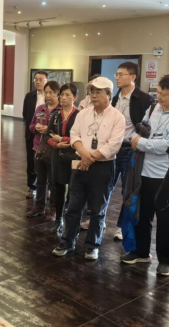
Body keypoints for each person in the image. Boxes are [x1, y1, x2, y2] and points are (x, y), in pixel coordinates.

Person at [120, 75, 169, 276]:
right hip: (142, 170)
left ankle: (166, 259)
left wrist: (141, 143)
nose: (159, 97)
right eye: (158, 92)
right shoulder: (153, 108)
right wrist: (137, 138)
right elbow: (142, 128)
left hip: (165, 174)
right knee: (142, 214)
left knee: (165, 217)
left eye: (164, 94)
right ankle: (141, 252)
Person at [52, 77, 125, 260]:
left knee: (98, 210)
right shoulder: (83, 114)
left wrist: (89, 159)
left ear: (109, 94)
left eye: (98, 92)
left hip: (103, 167)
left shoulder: (117, 117)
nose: (93, 95)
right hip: (80, 163)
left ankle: (92, 246)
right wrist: (85, 155)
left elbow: (113, 145)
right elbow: (74, 135)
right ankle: (67, 241)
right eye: (91, 91)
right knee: (74, 206)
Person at [108, 62, 154, 241]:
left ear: (133, 77)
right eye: (117, 74)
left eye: (121, 74)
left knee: (127, 191)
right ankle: (99, 219)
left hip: (130, 149)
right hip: (113, 148)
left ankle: (122, 226)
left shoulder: (144, 99)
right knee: (105, 185)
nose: (117, 77)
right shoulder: (115, 98)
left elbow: (147, 126)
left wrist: (137, 140)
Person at [46, 83, 79, 234]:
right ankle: (58, 219)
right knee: (58, 187)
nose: (63, 98)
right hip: (57, 155)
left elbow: (82, 137)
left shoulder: (79, 115)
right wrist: (56, 143)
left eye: (67, 95)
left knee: (74, 189)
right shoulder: (55, 115)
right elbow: (48, 135)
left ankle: (71, 221)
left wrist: (63, 139)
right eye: (62, 95)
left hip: (74, 155)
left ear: (75, 97)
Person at [26, 81, 61, 220]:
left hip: (53, 150)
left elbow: (64, 131)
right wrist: (36, 128)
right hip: (38, 148)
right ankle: (39, 206)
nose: (48, 95)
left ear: (57, 94)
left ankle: (53, 209)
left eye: (51, 92)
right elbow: (31, 125)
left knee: (53, 181)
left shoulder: (60, 110)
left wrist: (48, 130)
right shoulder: (40, 108)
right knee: (40, 179)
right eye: (46, 92)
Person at [22, 70, 48, 199]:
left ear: (46, 81)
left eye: (40, 79)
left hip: (47, 133)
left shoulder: (50, 96)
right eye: (36, 79)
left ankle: (46, 188)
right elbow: (25, 114)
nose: (37, 82)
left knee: (46, 160)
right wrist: (33, 126)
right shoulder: (29, 96)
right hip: (32, 132)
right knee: (31, 160)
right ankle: (32, 187)